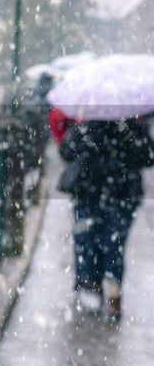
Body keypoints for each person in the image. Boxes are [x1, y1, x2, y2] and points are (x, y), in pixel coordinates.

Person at [58, 116, 154, 319]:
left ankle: (100, 291)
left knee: (98, 243)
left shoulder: (96, 127)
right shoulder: (125, 128)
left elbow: (66, 150)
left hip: (105, 195)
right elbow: (66, 150)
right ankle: (103, 292)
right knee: (105, 244)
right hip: (104, 194)